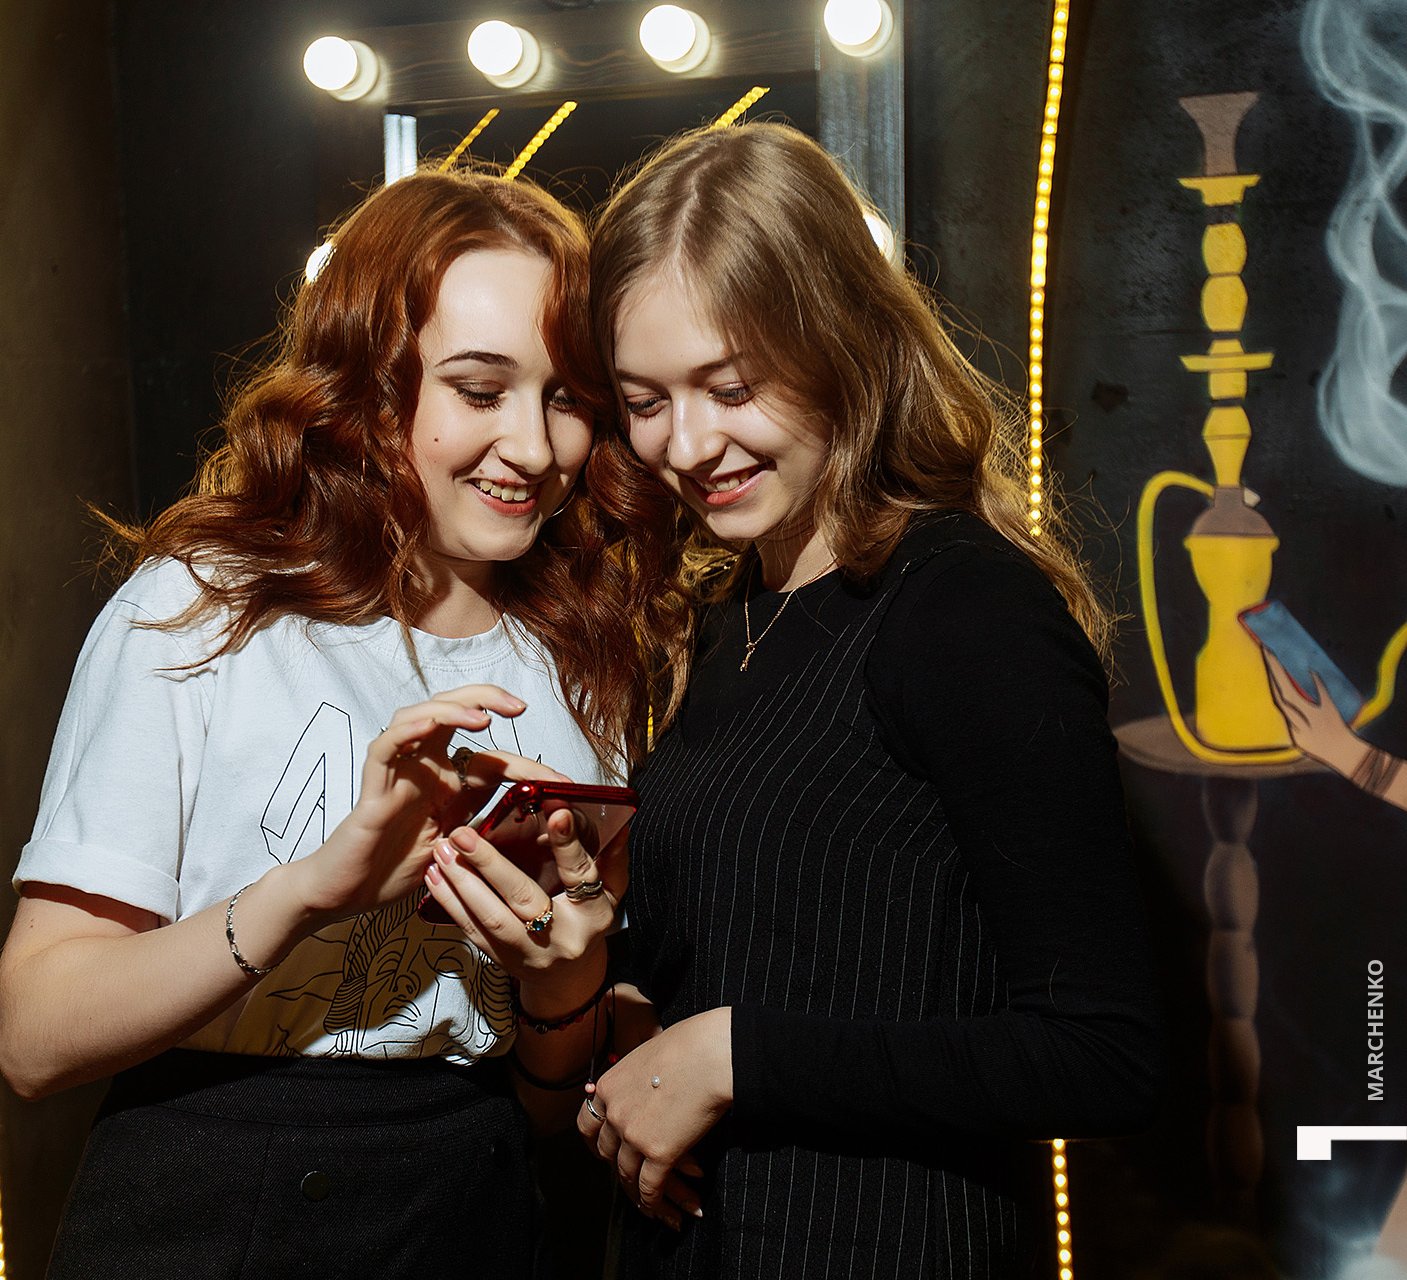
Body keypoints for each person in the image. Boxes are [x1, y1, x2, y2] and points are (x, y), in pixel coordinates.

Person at [425, 123, 1164, 1277]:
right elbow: (764, 956)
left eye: (731, 386)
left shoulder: (963, 607)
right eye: (645, 400)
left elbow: (1105, 1054)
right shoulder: (727, 620)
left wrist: (736, 1058)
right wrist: (607, 988)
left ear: (840, 342)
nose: (689, 443)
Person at [0, 168, 670, 1278]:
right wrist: (310, 888)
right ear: (369, 385)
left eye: (565, 398)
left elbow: (547, 1106)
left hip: (478, 1205)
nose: (533, 446)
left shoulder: (582, 657)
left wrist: (561, 986)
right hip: (214, 1207)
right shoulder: (202, 608)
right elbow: (35, 1035)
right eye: (479, 389)